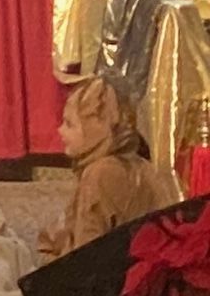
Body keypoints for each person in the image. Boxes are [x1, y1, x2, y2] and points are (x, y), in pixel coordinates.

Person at [38, 74, 169, 260]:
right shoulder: (142, 165)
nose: (60, 131)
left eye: (70, 124)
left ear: (96, 129)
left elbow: (86, 254)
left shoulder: (100, 173)